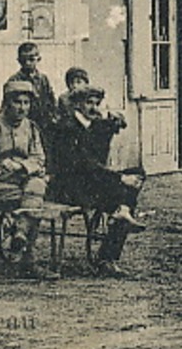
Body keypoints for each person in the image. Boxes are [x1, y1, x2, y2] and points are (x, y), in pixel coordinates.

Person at [47, 84, 146, 275]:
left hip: (90, 183)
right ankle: (107, 258)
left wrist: (117, 120)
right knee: (123, 190)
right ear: (77, 105)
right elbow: (83, 164)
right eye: (88, 103)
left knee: (138, 173)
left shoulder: (93, 124)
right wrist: (119, 177)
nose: (93, 107)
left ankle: (122, 212)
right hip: (68, 187)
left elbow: (118, 125)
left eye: (96, 103)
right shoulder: (66, 128)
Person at [0, 79, 51, 277]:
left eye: (26, 103)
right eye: (17, 102)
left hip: (23, 185)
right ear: (6, 103)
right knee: (36, 195)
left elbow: (39, 158)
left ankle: (20, 233)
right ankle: (28, 260)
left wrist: (19, 166)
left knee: (35, 187)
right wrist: (26, 170)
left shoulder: (31, 127)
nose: (22, 108)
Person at [10, 42, 59, 139]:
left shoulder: (43, 79)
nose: (28, 63)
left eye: (31, 59)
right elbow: (7, 106)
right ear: (19, 60)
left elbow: (52, 100)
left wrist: (53, 117)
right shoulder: (14, 80)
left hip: (44, 125)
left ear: (38, 59)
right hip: (23, 126)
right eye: (24, 60)